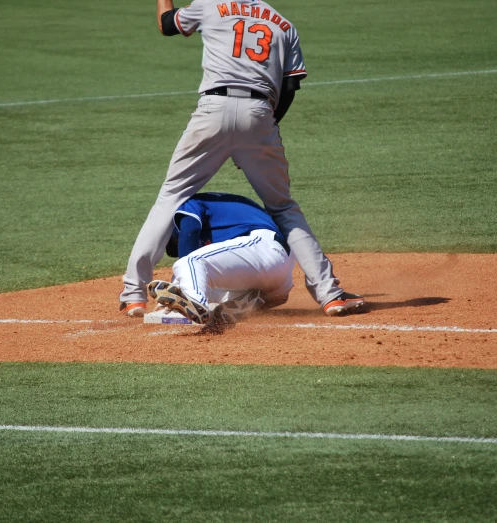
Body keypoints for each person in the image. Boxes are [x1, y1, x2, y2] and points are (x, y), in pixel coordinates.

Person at [118, 0, 365, 318]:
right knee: (284, 207)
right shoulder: (283, 23)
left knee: (171, 197)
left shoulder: (209, 6)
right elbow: (289, 86)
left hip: (213, 111)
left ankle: (134, 294)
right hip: (260, 113)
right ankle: (330, 294)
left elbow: (167, 24)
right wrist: (262, 132)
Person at [149, 192, 295, 326]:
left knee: (190, 262)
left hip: (262, 247)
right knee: (203, 282)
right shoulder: (224, 218)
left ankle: (188, 304)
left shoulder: (188, 204)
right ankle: (245, 299)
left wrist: (178, 287)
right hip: (277, 279)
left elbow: (190, 232)